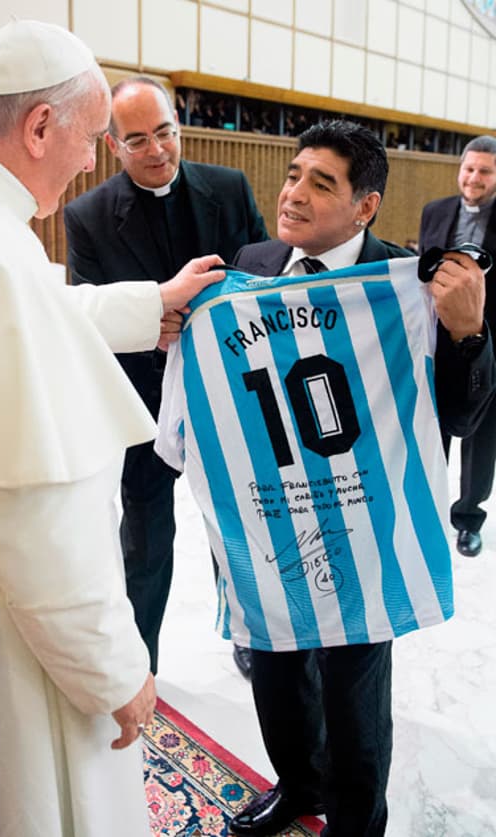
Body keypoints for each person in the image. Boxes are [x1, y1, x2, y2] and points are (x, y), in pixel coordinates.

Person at [0, 20, 225, 837]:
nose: (94, 159)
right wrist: (116, 671)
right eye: (92, 137)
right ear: (38, 127)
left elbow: (25, 315)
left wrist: (145, 303)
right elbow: (39, 521)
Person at [193, 120, 494, 837]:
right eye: (294, 174)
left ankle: (358, 822)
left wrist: (468, 333)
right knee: (273, 664)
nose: (293, 193)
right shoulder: (254, 260)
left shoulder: (412, 279)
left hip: (366, 513)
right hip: (273, 511)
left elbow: (462, 411)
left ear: (366, 206)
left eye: (319, 182)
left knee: (356, 690)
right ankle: (299, 784)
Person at [63, 75, 268, 677]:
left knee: (235, 527)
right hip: (144, 400)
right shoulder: (88, 216)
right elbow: (90, 314)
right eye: (138, 141)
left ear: (178, 128)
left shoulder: (227, 190)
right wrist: (147, 321)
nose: (156, 151)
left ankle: (253, 637)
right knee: (146, 538)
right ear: (112, 145)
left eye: (165, 134)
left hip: (227, 394)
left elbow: (261, 275)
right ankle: (140, 658)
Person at [419, 135, 496, 558]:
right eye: (469, 168)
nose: (474, 177)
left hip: (489, 344)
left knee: (481, 439)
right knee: (432, 432)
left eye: (484, 170)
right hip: (436, 340)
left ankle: (468, 519)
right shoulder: (435, 211)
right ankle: (427, 509)